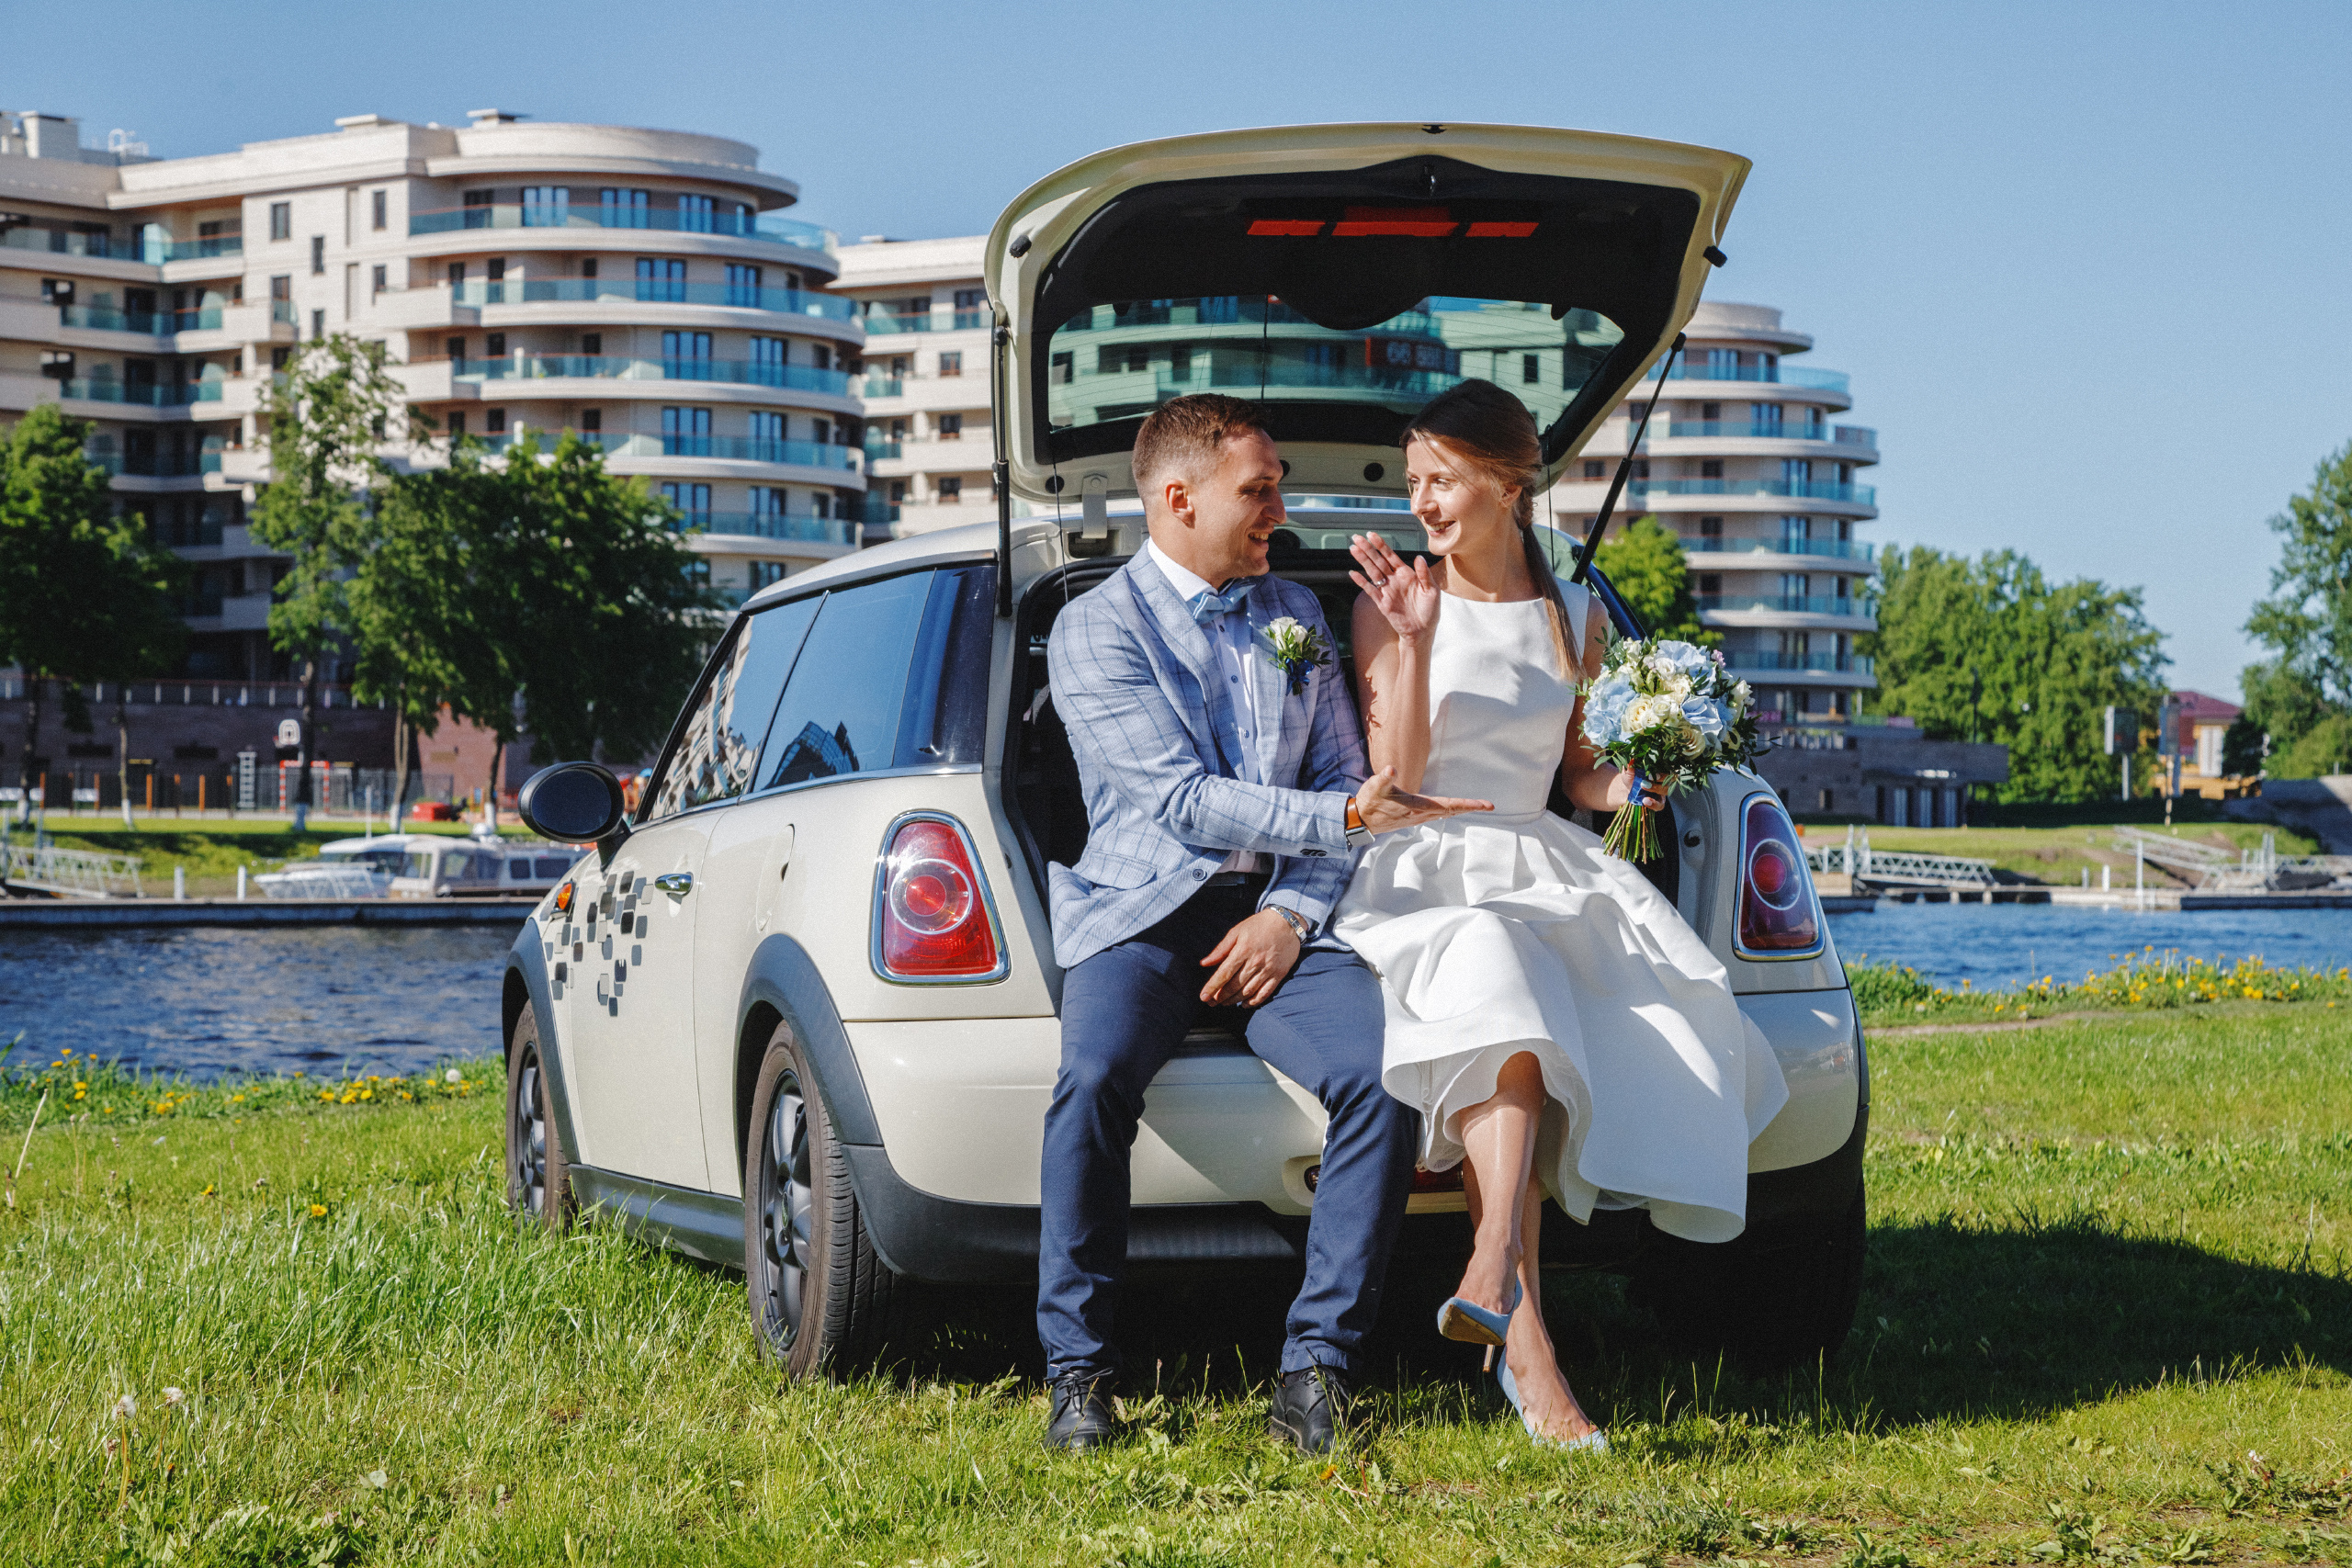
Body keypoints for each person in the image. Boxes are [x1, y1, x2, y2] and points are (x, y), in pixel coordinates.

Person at [1332, 379, 1790, 1450]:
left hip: (1537, 857)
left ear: (1507, 485)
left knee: (1577, 984)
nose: (1421, 503)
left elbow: (1576, 773)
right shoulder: (1391, 602)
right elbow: (1396, 781)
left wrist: (1634, 781)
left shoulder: (1571, 613)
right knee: (1496, 956)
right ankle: (1513, 1311)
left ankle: (1498, 1284)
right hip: (1421, 865)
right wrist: (1411, 640)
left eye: (1441, 481)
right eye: (1413, 482)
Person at [1039, 393, 1492, 1455]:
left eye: (1277, 488)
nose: (1280, 512)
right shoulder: (1092, 628)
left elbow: (1340, 767)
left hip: (1289, 911)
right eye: (1260, 490)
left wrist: (1289, 911)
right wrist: (1343, 820)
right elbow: (1182, 800)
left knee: (1381, 1077)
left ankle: (1316, 1370)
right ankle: (1078, 1373)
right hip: (1143, 914)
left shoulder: (1293, 608)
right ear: (1178, 498)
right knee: (1092, 1080)